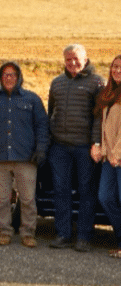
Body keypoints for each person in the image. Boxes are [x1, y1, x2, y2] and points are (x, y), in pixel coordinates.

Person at [0, 62, 49, 248]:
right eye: (5, 75)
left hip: (26, 158)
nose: (9, 78)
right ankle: (4, 231)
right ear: (0, 78)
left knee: (28, 200)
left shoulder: (32, 100)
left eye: (13, 75)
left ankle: (28, 233)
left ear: (19, 77)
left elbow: (42, 126)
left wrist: (41, 149)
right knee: (1, 200)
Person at [47, 43, 105, 251]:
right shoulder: (57, 83)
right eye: (68, 59)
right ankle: (63, 234)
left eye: (76, 59)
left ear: (86, 59)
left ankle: (84, 237)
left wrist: (96, 143)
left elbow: (99, 117)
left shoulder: (97, 82)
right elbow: (51, 112)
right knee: (61, 191)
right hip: (60, 147)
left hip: (84, 148)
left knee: (86, 192)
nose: (72, 63)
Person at [93, 54, 121, 258]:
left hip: (118, 157)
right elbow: (104, 126)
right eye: (115, 67)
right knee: (105, 197)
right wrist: (102, 149)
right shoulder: (108, 93)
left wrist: (117, 154)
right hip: (108, 158)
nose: (117, 71)